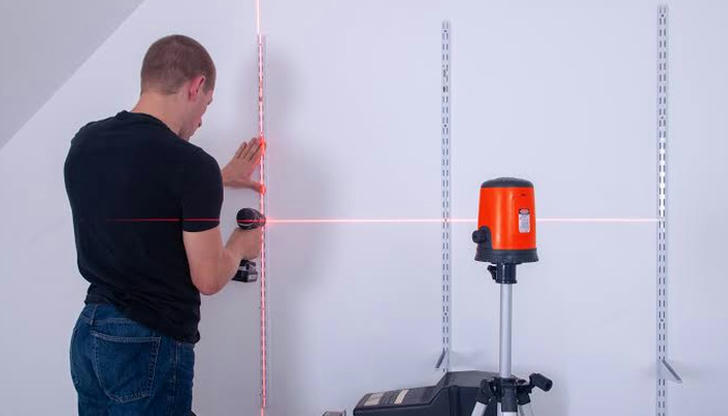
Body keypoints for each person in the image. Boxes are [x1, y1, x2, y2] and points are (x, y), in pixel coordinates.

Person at [64, 34, 261, 415]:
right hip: (146, 344)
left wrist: (217, 179)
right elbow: (208, 278)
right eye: (206, 104)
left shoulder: (85, 143)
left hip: (90, 334)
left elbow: (135, 191)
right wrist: (240, 245)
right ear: (196, 86)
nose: (202, 120)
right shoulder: (192, 166)